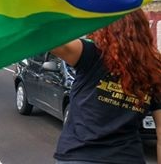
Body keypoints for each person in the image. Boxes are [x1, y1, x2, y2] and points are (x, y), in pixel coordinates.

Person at [50, 9, 161, 164]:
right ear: (143, 30)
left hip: (80, 156)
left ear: (106, 28)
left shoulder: (92, 54)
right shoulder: (154, 70)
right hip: (128, 158)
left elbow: (49, 39)